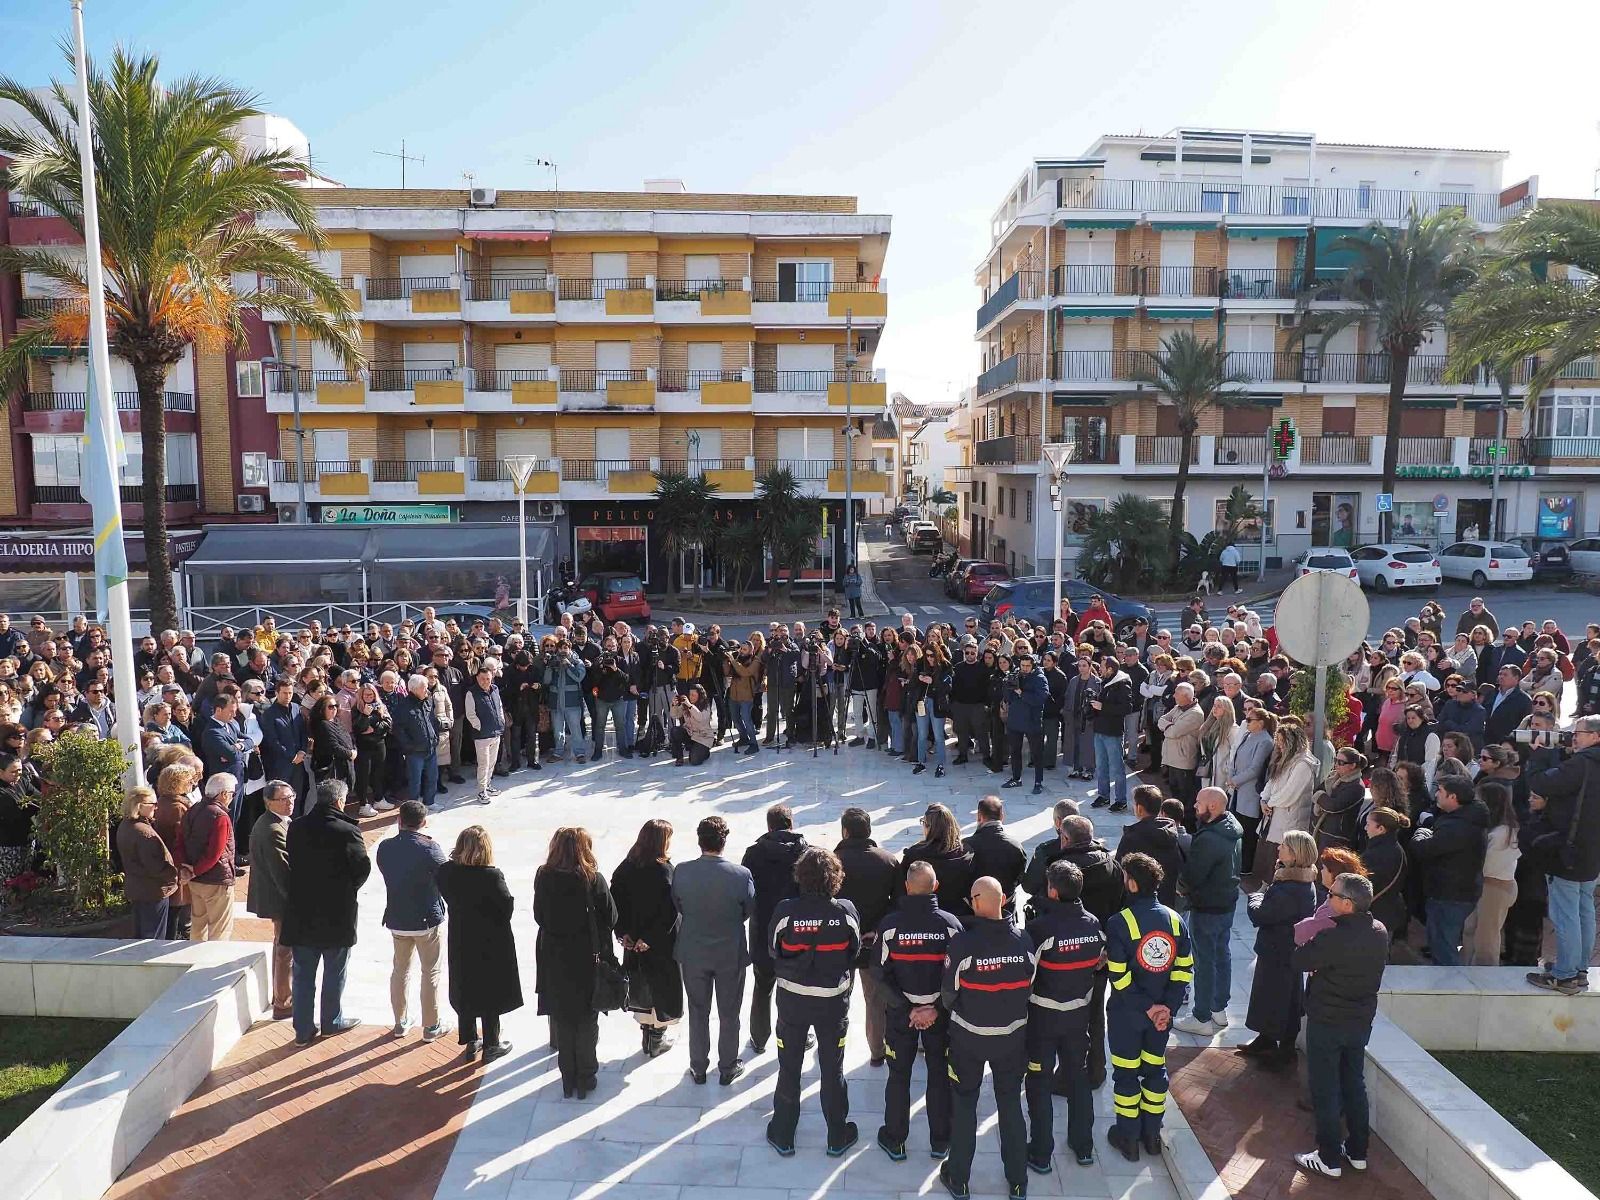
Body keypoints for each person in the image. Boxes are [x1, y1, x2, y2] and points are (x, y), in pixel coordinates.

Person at [939, 876, 1036, 1200]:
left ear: (978, 901)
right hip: (1011, 1038)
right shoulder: (1024, 941)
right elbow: (1029, 985)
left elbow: (949, 993)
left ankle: (959, 1178)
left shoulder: (963, 945)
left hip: (969, 1038)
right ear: (1005, 899)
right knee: (1009, 1105)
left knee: (965, 1105)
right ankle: (1018, 1181)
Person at [764, 847, 861, 1158]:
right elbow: (854, 951)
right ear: (835, 878)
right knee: (833, 1068)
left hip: (792, 1000)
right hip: (832, 1002)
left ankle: (783, 1133)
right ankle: (836, 1134)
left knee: (789, 1064)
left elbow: (773, 949)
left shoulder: (785, 911)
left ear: (800, 877)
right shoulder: (845, 911)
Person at [1291, 873, 1389, 1179]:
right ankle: (1357, 1151)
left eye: (1331, 894)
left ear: (1346, 904)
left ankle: (1328, 1156)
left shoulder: (1333, 936)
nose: (1327, 898)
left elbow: (1299, 959)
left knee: (1325, 1088)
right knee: (1353, 1083)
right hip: (1359, 1021)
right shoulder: (1379, 932)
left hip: (1328, 1021)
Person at [1103, 853, 1192, 1163]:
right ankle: (1152, 1135)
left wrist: (1148, 1008)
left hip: (1128, 1016)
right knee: (1155, 1072)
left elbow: (1119, 976)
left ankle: (1127, 1137)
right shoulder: (1175, 920)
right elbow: (1183, 972)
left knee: (1126, 1075)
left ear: (1132, 883)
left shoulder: (1119, 923)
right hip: (1160, 1021)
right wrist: (1165, 1008)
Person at [873, 860, 963, 1162]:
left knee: (898, 1074)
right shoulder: (951, 925)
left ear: (907, 887)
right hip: (942, 1015)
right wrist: (935, 1008)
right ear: (935, 887)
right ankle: (941, 1140)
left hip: (901, 1016)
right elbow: (960, 976)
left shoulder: (889, 926)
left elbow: (879, 974)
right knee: (939, 1073)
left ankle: (895, 1139)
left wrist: (908, 1007)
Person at [1023, 860, 1104, 1171]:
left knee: (1039, 1083)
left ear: (1052, 891)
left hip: (1043, 1019)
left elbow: (1026, 975)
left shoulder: (1039, 929)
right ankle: (1083, 1146)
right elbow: (1097, 964)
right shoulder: (1094, 924)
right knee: (1078, 1080)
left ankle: (1041, 1153)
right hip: (1077, 1017)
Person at [280, 778, 371, 1046]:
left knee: (303, 974)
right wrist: (346, 888)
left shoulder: (296, 827)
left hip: (302, 911)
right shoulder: (347, 831)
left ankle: (303, 1029)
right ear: (339, 801)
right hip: (336, 912)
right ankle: (331, 1021)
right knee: (335, 971)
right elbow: (361, 868)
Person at [672, 815, 756, 1085]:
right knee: (729, 1012)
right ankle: (728, 1066)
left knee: (698, 1011)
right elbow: (749, 910)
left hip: (693, 952)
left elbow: (680, 905)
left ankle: (698, 1066)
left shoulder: (682, 871)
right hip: (729, 952)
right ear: (723, 841)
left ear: (700, 840)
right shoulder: (741, 875)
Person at [535, 827, 617, 1095]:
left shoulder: (544, 876)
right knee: (586, 1018)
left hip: (554, 956)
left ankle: (568, 1077)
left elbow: (539, 915)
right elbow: (611, 917)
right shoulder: (593, 879)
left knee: (563, 1016)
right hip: (586, 957)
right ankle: (586, 1076)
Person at [1523, 715, 1600, 993]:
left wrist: (1538, 756)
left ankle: (1565, 975)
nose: (1574, 737)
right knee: (1584, 910)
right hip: (1592, 850)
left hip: (1568, 851)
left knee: (1566, 913)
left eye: (1579, 733)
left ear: (1596, 736)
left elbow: (1542, 783)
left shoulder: (1583, 764)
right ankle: (1578, 970)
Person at [436, 825, 521, 1062]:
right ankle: (491, 1043)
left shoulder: (446, 872)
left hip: (461, 937)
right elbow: (506, 908)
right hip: (489, 941)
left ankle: (471, 1040)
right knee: (489, 990)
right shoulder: (491, 876)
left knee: (465, 986)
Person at [1239, 830, 1317, 1068]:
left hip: (1280, 951)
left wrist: (1255, 897)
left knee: (1281, 1000)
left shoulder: (1291, 887)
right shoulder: (1295, 880)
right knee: (1271, 996)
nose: (1278, 848)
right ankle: (1266, 1039)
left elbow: (1261, 913)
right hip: (1279, 949)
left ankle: (1283, 1051)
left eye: (1283, 845)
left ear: (1294, 854)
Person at [376, 799, 450, 1040]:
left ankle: (400, 1022)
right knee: (430, 973)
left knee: (400, 970)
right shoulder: (430, 848)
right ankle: (431, 1026)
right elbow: (446, 877)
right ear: (423, 823)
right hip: (427, 919)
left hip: (397, 919)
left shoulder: (386, 847)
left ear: (399, 820)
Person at [612, 818, 683, 1058]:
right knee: (660, 988)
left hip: (634, 941)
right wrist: (649, 939)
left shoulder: (626, 866)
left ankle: (648, 1035)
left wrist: (623, 933)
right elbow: (670, 910)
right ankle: (656, 1038)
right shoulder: (664, 869)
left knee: (641, 986)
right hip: (659, 943)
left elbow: (614, 904)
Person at [1174, 787, 1242, 1037]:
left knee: (1203, 961)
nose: (1194, 805)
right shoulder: (1231, 828)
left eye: (1199, 802)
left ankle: (1201, 1016)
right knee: (1222, 955)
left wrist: (1181, 888)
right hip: (1227, 903)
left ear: (1212, 807)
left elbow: (1192, 874)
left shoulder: (1209, 839)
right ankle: (1218, 1008)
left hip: (1208, 906)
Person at [743, 804, 807, 1058]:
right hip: (797, 932)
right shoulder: (805, 852)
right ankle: (798, 1037)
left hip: (763, 931)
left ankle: (759, 1039)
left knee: (762, 986)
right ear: (791, 824)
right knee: (796, 988)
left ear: (769, 826)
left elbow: (746, 892)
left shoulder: (753, 853)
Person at [836, 807, 897, 1067]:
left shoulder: (833, 860)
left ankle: (835, 1045)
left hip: (840, 942)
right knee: (874, 1001)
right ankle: (877, 1051)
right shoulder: (888, 861)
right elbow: (898, 904)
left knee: (838, 998)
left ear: (845, 831)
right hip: (875, 942)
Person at [1408, 774, 1488, 966]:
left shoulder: (1458, 826)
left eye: (1440, 791)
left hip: (1450, 895)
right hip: (1453, 892)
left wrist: (1420, 834)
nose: (1436, 795)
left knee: (1443, 948)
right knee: (1441, 943)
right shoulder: (1462, 818)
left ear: (1453, 797)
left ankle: (1450, 990)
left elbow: (1425, 849)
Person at [245, 780, 294, 1019]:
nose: (290, 802)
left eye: (291, 797)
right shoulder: (273, 829)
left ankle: (282, 996)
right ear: (268, 802)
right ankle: (283, 1002)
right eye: (283, 799)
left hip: (275, 896)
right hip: (279, 899)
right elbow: (282, 873)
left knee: (282, 947)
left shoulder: (276, 823)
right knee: (285, 950)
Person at [1254, 718, 1319, 885]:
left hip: (1289, 820)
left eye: (1283, 742)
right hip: (1273, 818)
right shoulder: (1285, 760)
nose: (1280, 746)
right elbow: (1271, 783)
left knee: (1283, 859)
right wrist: (1264, 799)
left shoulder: (1303, 764)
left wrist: (1270, 802)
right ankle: (1265, 886)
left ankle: (1275, 888)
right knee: (1268, 857)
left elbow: (1290, 794)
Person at [1463, 781, 1519, 967]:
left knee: (1486, 938)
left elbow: (1488, 864)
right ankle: (1465, 970)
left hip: (1495, 886)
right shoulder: (1492, 828)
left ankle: (1485, 979)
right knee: (1470, 929)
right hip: (1482, 885)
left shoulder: (1505, 832)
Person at [116, 785, 179, 940]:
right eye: (153, 804)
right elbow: (155, 866)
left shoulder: (126, 826)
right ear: (140, 806)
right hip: (153, 891)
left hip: (138, 888)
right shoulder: (144, 832)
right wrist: (175, 876)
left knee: (141, 935)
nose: (156, 808)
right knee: (153, 938)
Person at [182, 773, 237, 942]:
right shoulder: (220, 816)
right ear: (224, 794)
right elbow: (215, 853)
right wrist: (196, 871)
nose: (232, 798)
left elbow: (182, 840)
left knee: (198, 926)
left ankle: (195, 959)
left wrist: (190, 870)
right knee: (220, 930)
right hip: (216, 880)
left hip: (196, 879)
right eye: (232, 794)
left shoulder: (193, 809)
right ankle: (213, 965)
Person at [897, 803, 977, 920]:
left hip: (920, 917)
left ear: (929, 827)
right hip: (959, 917)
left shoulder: (914, 855)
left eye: (923, 823)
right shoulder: (967, 853)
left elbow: (900, 889)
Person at [1116, 785, 1184, 908]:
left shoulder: (1132, 837)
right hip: (1165, 901)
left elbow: (1119, 871)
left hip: (1138, 903)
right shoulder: (1171, 833)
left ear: (1140, 809)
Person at [964, 795, 1026, 916]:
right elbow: (1019, 878)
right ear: (1002, 816)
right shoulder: (1016, 846)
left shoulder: (967, 846)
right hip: (1005, 908)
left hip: (974, 910)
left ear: (979, 817)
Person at [1361, 807, 1412, 955]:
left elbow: (1365, 886)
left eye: (1368, 824)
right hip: (1388, 913)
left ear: (1381, 828)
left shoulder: (1379, 855)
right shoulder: (1395, 849)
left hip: (1377, 915)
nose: (1365, 828)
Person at [1157, 682, 1205, 818]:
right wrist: (1169, 726)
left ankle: (1185, 824)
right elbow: (1161, 720)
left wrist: (1169, 727)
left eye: (1177, 693)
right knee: (1174, 792)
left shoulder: (1195, 714)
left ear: (1186, 696)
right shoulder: (1178, 707)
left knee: (1185, 798)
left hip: (1183, 762)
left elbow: (1173, 732)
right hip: (1172, 759)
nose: (1174, 695)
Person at [461, 662, 506, 804]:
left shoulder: (495, 689)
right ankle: (481, 791)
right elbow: (470, 714)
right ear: (477, 678)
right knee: (483, 764)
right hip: (481, 736)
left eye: (488, 678)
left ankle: (488, 785)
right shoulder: (471, 693)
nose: (485, 682)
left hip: (496, 732)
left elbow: (499, 706)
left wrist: (501, 721)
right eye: (482, 679)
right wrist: (480, 726)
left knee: (492, 762)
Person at [394, 674, 441, 806]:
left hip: (430, 747)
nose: (427, 691)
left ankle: (430, 802)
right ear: (414, 689)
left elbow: (432, 720)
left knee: (432, 777)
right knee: (415, 781)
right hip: (414, 752)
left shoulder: (427, 701)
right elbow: (398, 729)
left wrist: (435, 737)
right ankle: (413, 807)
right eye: (424, 688)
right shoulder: (404, 706)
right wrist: (408, 746)